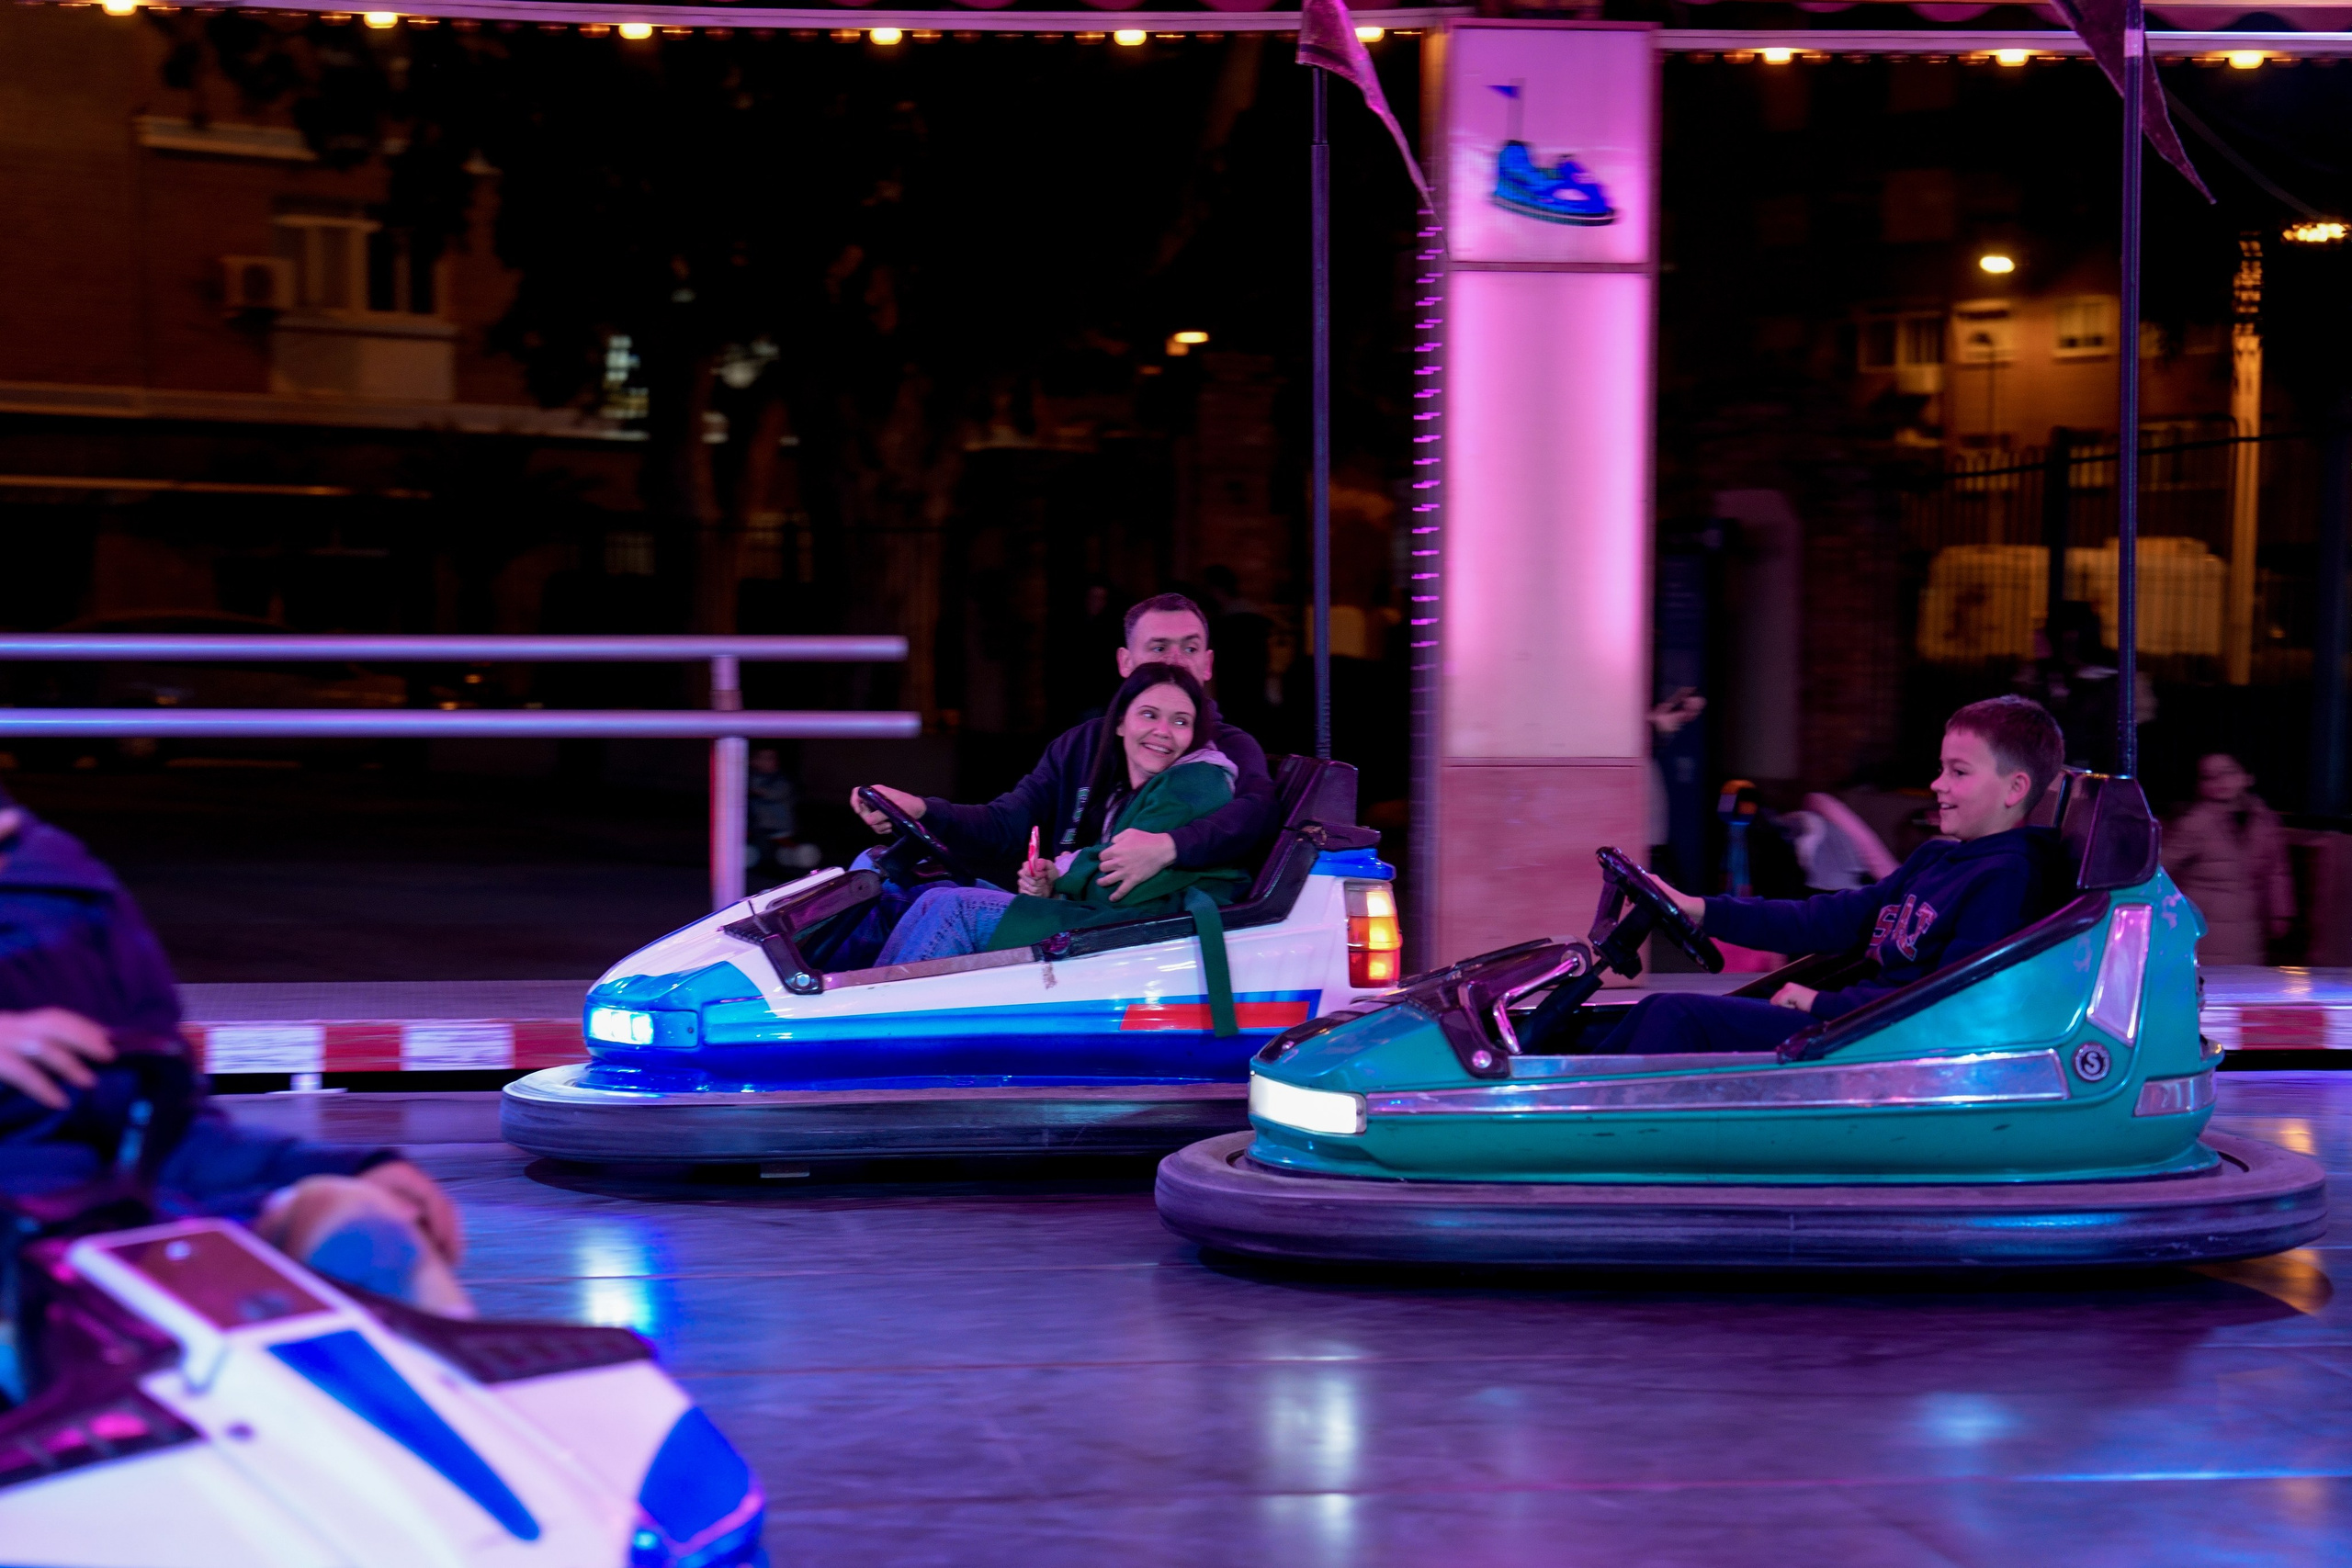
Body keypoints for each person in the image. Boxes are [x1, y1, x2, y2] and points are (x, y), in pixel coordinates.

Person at [0, 784, 469, 1316]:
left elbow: (166, 1133)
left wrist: (347, 1168)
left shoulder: (58, 897)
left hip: (87, 1251)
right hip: (33, 1270)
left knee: (360, 1221)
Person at [1526, 695, 2067, 1055]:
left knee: (1677, 1015)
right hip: (1854, 1024)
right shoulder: (1938, 859)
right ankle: (1545, 1092)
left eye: (1959, 772)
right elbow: (1824, 919)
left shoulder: (2007, 878)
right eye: (1942, 768)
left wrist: (1820, 1004)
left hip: (1879, 1044)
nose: (1938, 784)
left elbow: (1952, 1000)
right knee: (1651, 1008)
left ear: (2015, 788)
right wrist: (1700, 909)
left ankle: (1573, 1126)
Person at [849, 592, 1276, 928]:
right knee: (874, 872)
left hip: (1118, 931)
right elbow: (1007, 823)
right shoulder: (1082, 743)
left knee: (949, 908)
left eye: (1190, 648)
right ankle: (841, 997)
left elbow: (1256, 812)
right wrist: (922, 810)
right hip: (1059, 905)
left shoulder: (1224, 752)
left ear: (1208, 663)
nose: (1174, 663)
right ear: (1126, 662)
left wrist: (1169, 847)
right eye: (1159, 648)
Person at [873, 664, 1251, 964]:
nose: (1163, 731)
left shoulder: (1196, 780)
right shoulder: (1118, 778)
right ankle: (861, 1005)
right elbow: (1005, 821)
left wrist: (1064, 875)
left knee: (953, 909)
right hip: (1114, 915)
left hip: (1146, 929)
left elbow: (1119, 879)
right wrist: (1056, 879)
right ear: (1120, 722)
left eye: (1180, 722)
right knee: (930, 894)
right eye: (1149, 715)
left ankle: (874, 1023)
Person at [2165, 752, 2293, 965]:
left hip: (2248, 924)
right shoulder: (2196, 823)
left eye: (2228, 773)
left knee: (2242, 973)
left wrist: (2280, 912)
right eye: (2209, 777)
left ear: (2247, 777)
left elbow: (2276, 870)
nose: (2220, 782)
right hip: (2206, 923)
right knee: (2213, 974)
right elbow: (2165, 864)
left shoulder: (2264, 820)